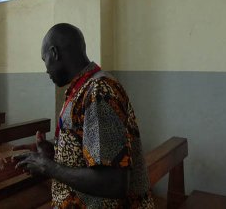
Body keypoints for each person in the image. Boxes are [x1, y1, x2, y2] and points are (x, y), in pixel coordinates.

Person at [15, 23, 154, 208]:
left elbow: (113, 181)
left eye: (44, 59)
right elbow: (91, 152)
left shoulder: (99, 91)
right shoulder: (83, 88)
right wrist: (54, 154)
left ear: (54, 53)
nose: (46, 69)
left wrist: (48, 167)